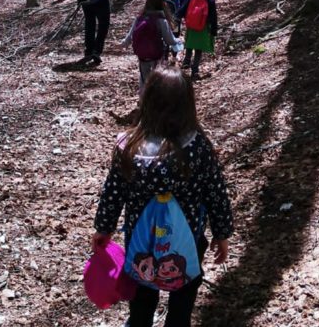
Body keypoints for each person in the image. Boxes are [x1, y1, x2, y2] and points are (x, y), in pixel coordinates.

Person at [92, 65, 233, 327]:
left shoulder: (128, 148)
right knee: (184, 289)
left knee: (142, 291)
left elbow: (113, 191)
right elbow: (215, 191)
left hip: (140, 239)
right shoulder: (197, 146)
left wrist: (104, 228)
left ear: (147, 101)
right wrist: (222, 233)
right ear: (187, 106)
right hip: (188, 237)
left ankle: (139, 322)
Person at [122, 0, 182, 93]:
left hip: (142, 55)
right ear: (163, 3)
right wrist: (178, 41)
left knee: (144, 79)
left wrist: (123, 44)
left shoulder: (140, 18)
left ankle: (143, 98)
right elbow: (169, 40)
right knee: (157, 78)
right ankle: (156, 98)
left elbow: (130, 36)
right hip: (156, 55)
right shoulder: (161, 20)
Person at [177, 0, 218, 80]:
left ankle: (186, 61)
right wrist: (214, 30)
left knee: (189, 44)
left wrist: (176, 19)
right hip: (203, 28)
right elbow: (213, 17)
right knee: (198, 49)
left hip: (191, 27)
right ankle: (195, 70)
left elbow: (181, 11)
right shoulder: (210, 1)